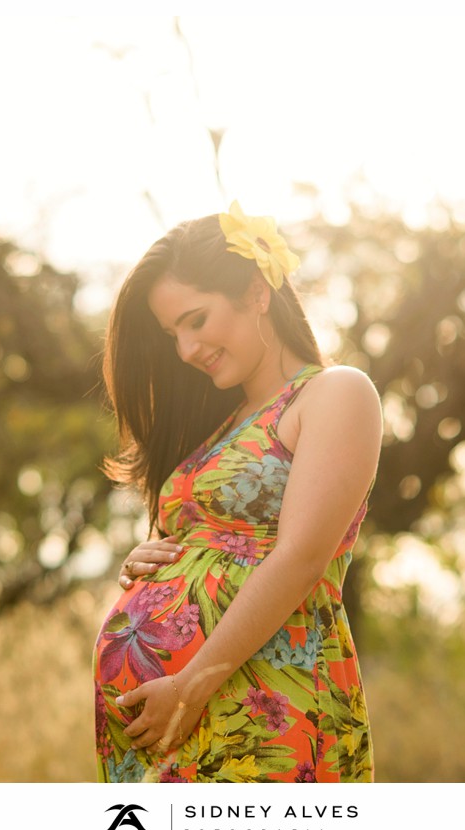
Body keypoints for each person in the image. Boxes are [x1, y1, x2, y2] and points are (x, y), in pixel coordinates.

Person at [92, 202, 381, 783]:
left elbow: (299, 558)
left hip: (264, 699)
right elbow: (207, 541)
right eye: (173, 333)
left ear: (256, 291)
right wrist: (153, 559)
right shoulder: (222, 423)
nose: (185, 350)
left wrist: (190, 686)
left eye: (195, 320)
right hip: (177, 717)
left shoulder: (333, 394)